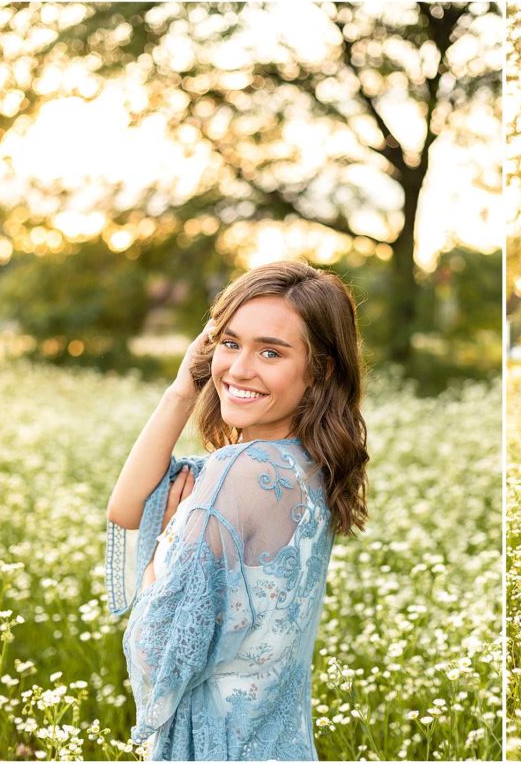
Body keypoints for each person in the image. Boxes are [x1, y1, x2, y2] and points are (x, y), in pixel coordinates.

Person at [105, 261, 368, 760]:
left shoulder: (237, 472)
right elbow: (128, 508)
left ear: (320, 370)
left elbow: (155, 658)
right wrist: (184, 387)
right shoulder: (307, 465)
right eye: (230, 343)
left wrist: (162, 554)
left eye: (270, 351)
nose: (240, 369)